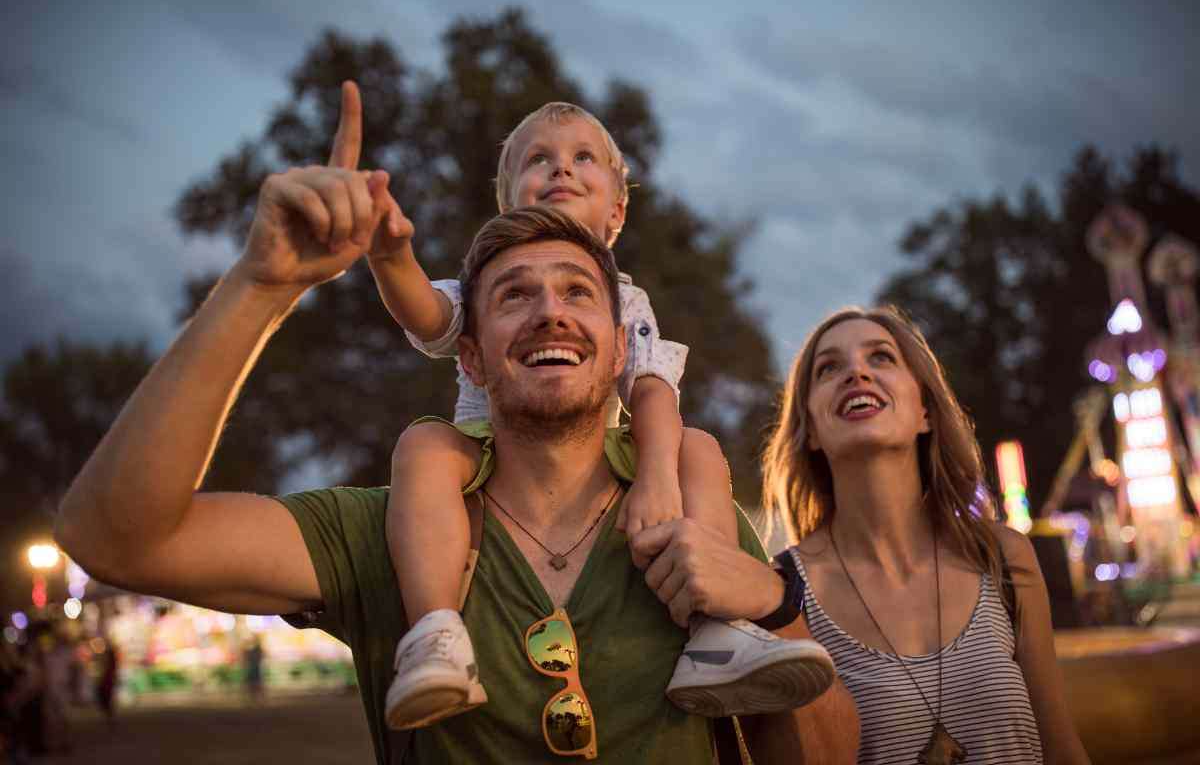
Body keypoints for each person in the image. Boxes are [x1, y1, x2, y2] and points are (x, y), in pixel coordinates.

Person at [54, 82, 858, 764]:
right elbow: (115, 540)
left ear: (622, 349)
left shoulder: (692, 519)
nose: (550, 311)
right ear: (467, 356)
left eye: (579, 292)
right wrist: (263, 285)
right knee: (425, 444)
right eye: (514, 294)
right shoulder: (390, 531)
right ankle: (436, 638)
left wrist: (773, 604)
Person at [367, 98, 832, 729]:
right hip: (483, 447)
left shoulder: (628, 300)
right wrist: (389, 255)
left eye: (583, 157)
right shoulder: (481, 279)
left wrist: (658, 476)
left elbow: (652, 389)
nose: (562, 169)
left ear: (616, 210)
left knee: (694, 447)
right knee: (423, 445)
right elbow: (425, 312)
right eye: (539, 159)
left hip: (594, 449)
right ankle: (436, 636)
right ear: (509, 203)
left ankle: (717, 631)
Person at [760, 305, 1091, 764]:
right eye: (829, 368)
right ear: (811, 430)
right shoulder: (784, 593)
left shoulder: (1002, 557)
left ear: (925, 412)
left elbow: (1062, 748)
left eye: (881, 358)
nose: (856, 372)